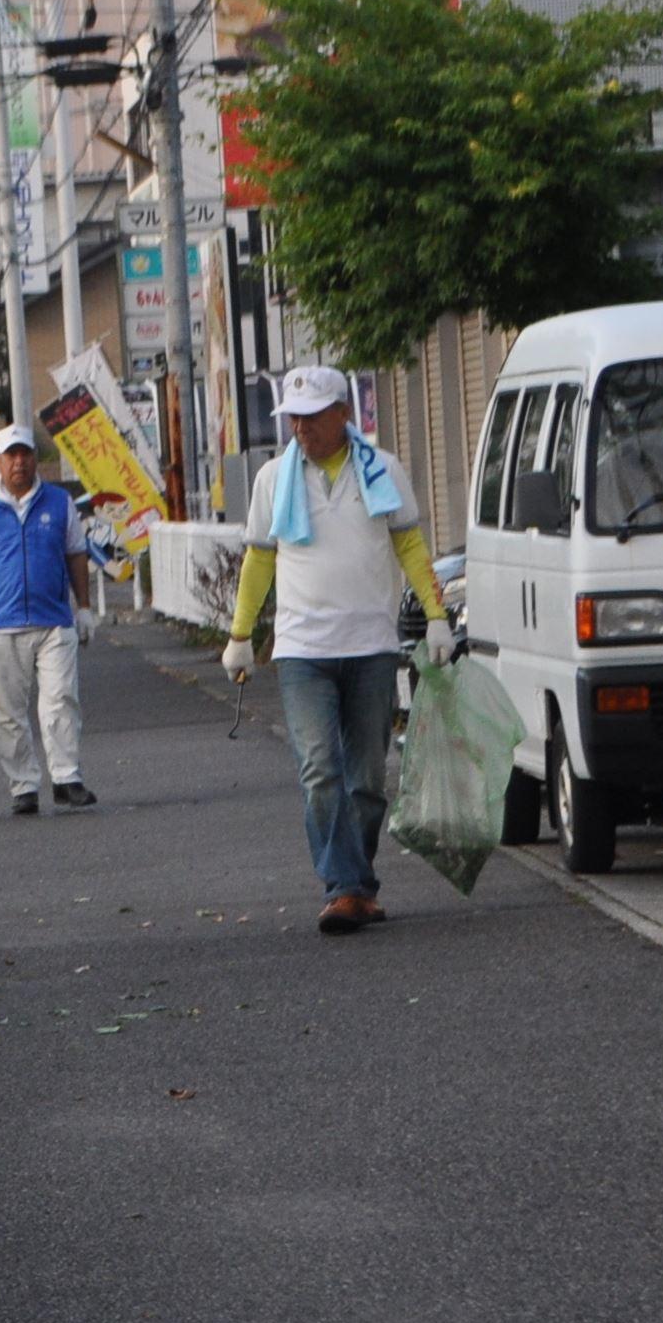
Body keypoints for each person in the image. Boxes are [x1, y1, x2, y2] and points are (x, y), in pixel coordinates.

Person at [220, 362, 452, 934]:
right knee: (320, 768)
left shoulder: (383, 471)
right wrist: (241, 635)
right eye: (292, 418)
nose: (300, 428)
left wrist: (438, 615)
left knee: (368, 777)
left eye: (311, 417)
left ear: (343, 414)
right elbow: (259, 559)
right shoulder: (275, 478)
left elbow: (411, 547)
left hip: (371, 644)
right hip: (302, 648)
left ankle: (357, 882)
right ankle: (343, 887)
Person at [0, 424, 98, 816]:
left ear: (35, 458)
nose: (19, 462)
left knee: (60, 700)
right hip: (3, 622)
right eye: (10, 455)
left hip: (54, 620)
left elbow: (76, 555)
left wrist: (84, 608)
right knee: (10, 711)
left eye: (25, 453)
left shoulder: (60, 504)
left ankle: (66, 778)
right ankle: (23, 785)